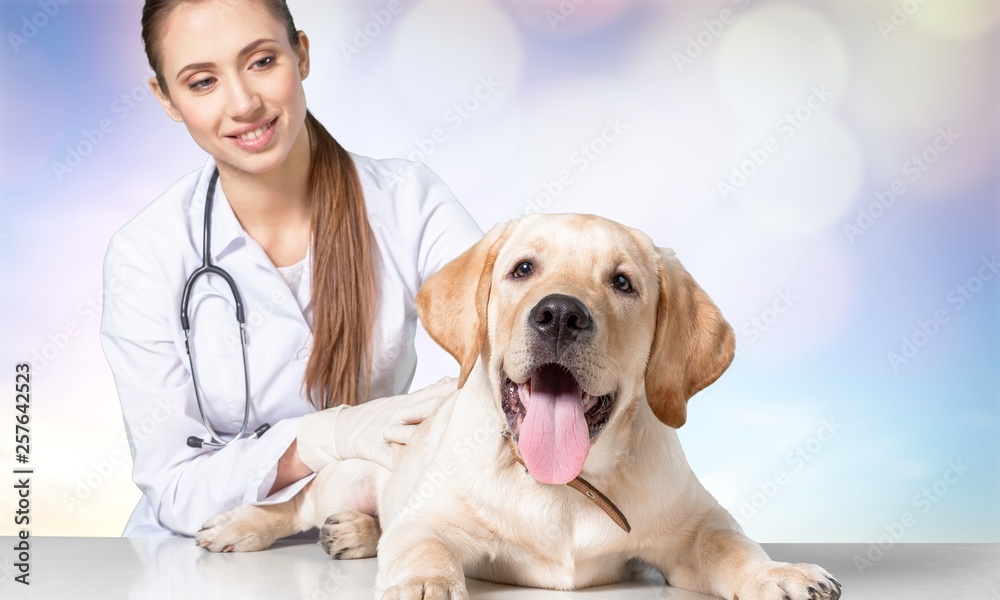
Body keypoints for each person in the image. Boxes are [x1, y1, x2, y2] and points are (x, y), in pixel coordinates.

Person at [100, 0, 482, 537]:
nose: (244, 104)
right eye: (202, 82)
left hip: (366, 536)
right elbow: (178, 490)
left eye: (261, 61)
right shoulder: (146, 254)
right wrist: (329, 436)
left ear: (301, 54)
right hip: (198, 558)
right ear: (166, 98)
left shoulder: (407, 203)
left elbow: (508, 350)